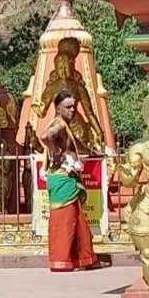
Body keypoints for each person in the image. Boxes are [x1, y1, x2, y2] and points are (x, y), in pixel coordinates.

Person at [35, 90, 101, 272]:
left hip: (66, 178)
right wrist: (55, 150)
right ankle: (62, 260)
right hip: (63, 178)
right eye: (68, 106)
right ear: (57, 108)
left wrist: (93, 152)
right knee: (65, 221)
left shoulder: (65, 125)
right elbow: (44, 136)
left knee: (76, 219)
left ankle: (81, 259)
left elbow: (76, 144)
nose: (73, 109)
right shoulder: (59, 125)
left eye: (74, 106)